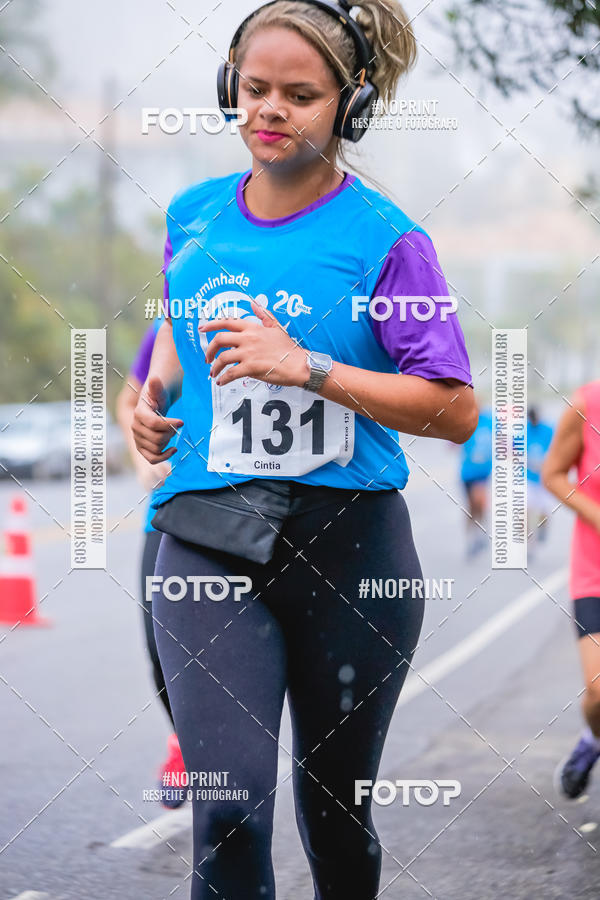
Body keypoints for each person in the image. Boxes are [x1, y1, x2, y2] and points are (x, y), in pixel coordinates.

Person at [132, 1, 478, 896]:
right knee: (229, 809)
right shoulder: (193, 215)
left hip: (350, 547)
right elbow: (170, 338)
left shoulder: (389, 240)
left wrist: (309, 368)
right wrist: (150, 401)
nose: (270, 110)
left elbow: (454, 409)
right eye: (254, 88)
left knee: (334, 813)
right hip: (208, 535)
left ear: (348, 103)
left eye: (299, 94)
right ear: (230, 86)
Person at [116, 316, 187, 810]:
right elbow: (129, 400)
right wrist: (144, 460)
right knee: (162, 649)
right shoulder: (173, 322)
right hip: (172, 508)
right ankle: (184, 740)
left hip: (269, 506)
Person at [542, 381, 600, 799]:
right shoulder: (587, 403)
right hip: (595, 568)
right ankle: (593, 738)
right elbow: (553, 475)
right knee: (598, 691)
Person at [458, 404, 493, 557]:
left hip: (482, 473)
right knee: (471, 507)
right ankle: (471, 537)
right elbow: (453, 442)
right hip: (467, 472)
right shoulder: (465, 420)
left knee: (479, 501)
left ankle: (480, 533)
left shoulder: (489, 421)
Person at [526, 405, 554, 547]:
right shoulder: (524, 430)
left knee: (543, 511)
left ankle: (542, 527)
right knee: (524, 510)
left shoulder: (548, 430)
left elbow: (556, 450)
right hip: (528, 478)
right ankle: (527, 540)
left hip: (544, 478)